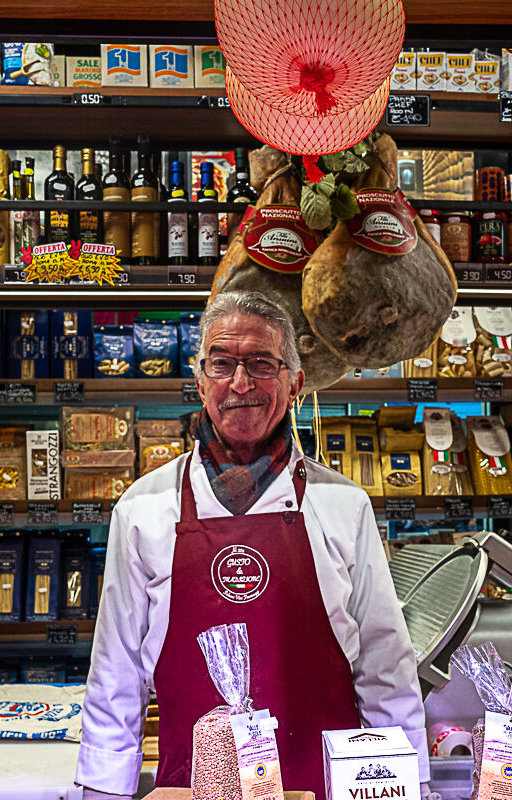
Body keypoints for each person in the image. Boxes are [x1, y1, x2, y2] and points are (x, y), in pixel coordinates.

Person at [76, 291, 429, 799]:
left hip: (326, 784)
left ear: (295, 383)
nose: (240, 383)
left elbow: (385, 666)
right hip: (192, 788)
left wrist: (409, 781)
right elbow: (116, 671)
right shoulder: (144, 509)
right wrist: (105, 790)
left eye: (261, 364)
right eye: (222, 365)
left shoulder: (343, 505)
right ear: (200, 383)